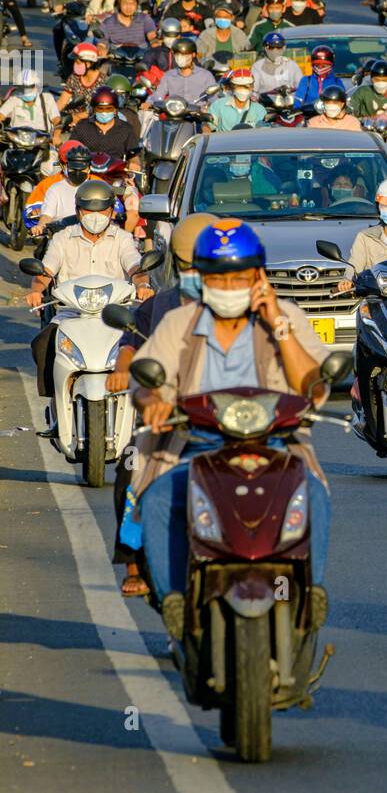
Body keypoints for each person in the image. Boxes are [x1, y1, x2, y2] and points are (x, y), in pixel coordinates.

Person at [128, 219, 332, 639]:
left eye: (240, 276)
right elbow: (146, 382)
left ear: (258, 275)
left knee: (313, 493)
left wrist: (277, 321)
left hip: (278, 448)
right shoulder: (178, 324)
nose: (229, 286)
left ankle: (307, 592)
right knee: (160, 500)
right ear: (200, 278)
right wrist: (152, 401)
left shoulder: (286, 318)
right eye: (218, 277)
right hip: (194, 448)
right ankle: (177, 602)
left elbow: (314, 388)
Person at [108, 212, 218, 596]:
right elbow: (129, 341)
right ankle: (134, 560)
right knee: (130, 468)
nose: (198, 273)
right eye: (189, 265)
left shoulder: (247, 305)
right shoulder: (161, 305)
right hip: (170, 418)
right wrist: (124, 367)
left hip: (231, 420)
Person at [27, 180, 151, 403]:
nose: (96, 215)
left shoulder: (123, 239)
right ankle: (57, 402)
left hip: (114, 314)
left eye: (102, 210)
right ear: (78, 211)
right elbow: (45, 272)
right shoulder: (62, 239)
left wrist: (143, 285)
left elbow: (136, 267)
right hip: (71, 314)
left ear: (112, 211)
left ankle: (139, 405)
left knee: (144, 345)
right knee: (42, 344)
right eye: (89, 210)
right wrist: (36, 290)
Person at [74, 86, 140, 160]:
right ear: (94, 110)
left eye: (109, 109)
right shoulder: (82, 127)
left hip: (116, 169)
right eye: (100, 108)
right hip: (87, 168)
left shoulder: (126, 129)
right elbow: (71, 149)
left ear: (115, 110)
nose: (104, 112)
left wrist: (134, 162)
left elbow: (134, 155)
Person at [154, 36, 216, 106]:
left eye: (185, 54)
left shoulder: (206, 75)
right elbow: (158, 95)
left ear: (193, 55)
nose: (180, 57)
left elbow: (214, 99)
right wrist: (149, 103)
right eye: (177, 54)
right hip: (175, 113)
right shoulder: (168, 75)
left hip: (198, 114)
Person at [250, 31, 303, 97]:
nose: (275, 51)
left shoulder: (292, 65)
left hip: (290, 104)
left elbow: (301, 88)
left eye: (279, 47)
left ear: (284, 48)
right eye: (271, 47)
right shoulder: (257, 67)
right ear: (264, 48)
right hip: (267, 105)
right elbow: (254, 91)